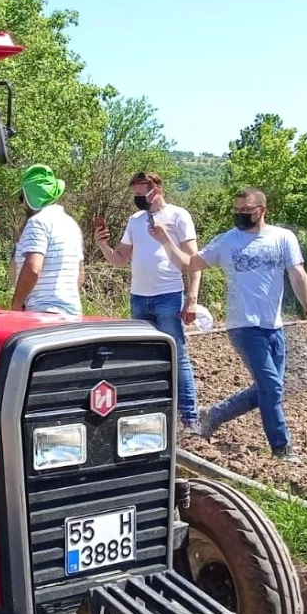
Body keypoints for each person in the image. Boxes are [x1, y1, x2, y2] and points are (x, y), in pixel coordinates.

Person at [151, 187, 307, 464]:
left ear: (262, 210)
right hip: (243, 326)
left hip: (274, 325)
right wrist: (165, 240)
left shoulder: (283, 238)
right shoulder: (227, 242)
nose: (241, 215)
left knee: (268, 388)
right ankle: (282, 448)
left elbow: (297, 274)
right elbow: (190, 263)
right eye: (237, 211)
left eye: (247, 211)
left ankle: (216, 414)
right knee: (271, 387)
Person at [94, 171, 202, 429]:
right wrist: (103, 246)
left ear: (156, 190)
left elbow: (194, 261)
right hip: (139, 298)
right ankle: (151, 411)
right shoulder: (135, 220)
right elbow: (120, 259)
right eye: (135, 194)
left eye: (141, 194)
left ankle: (189, 417)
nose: (138, 199)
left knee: (177, 354)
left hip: (168, 295)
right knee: (143, 355)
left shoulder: (178, 216)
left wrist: (192, 298)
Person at [10, 164, 83, 315]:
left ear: (29, 198)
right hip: (72, 315)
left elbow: (33, 268)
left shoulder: (37, 222)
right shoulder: (72, 224)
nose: (21, 204)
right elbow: (80, 274)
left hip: (42, 314)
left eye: (21, 198)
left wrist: (16, 305)